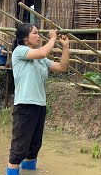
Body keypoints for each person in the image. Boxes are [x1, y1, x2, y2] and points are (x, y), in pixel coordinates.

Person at [6, 23, 69, 175]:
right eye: (35, 33)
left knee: (34, 147)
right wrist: (53, 38)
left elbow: (62, 67)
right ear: (25, 38)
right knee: (18, 150)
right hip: (25, 106)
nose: (39, 36)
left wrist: (66, 47)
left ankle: (29, 172)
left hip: (40, 106)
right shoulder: (20, 51)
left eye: (39, 33)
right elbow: (42, 53)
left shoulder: (41, 60)